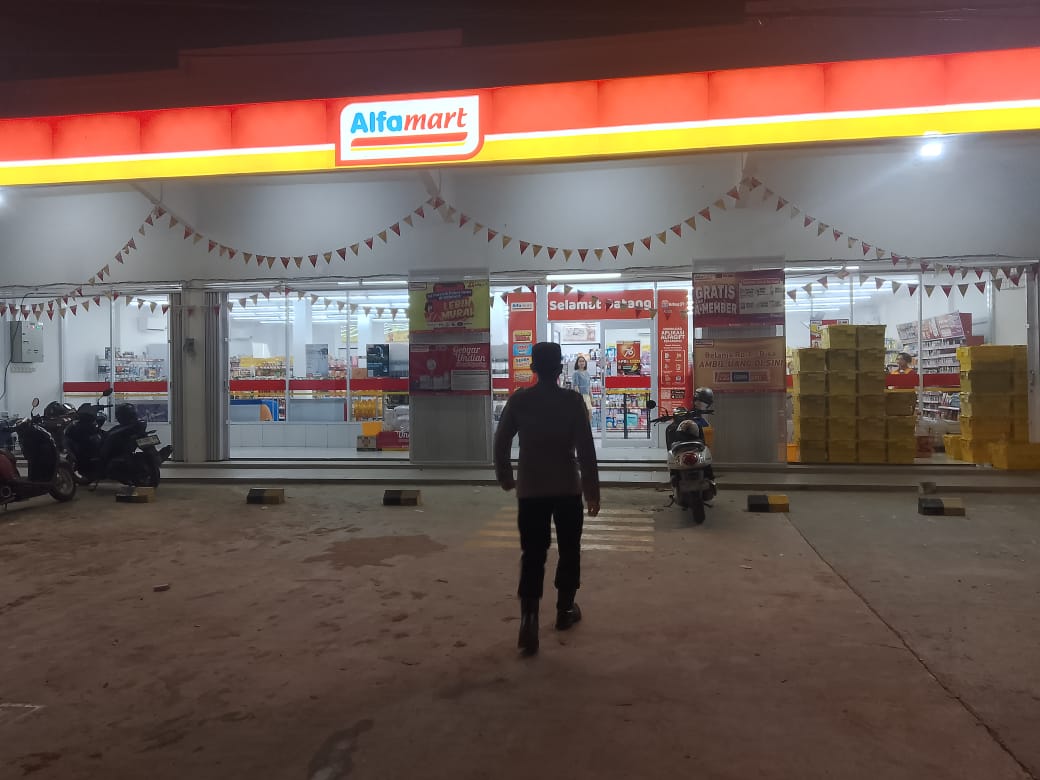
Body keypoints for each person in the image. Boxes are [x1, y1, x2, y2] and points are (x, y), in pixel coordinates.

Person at [494, 341, 600, 656]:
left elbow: (501, 442)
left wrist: (505, 476)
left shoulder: (519, 400)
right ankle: (565, 610)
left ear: (533, 368)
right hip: (567, 487)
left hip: (531, 488)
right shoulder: (572, 401)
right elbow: (586, 449)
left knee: (533, 554)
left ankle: (528, 621)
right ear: (559, 368)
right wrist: (592, 492)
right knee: (569, 549)